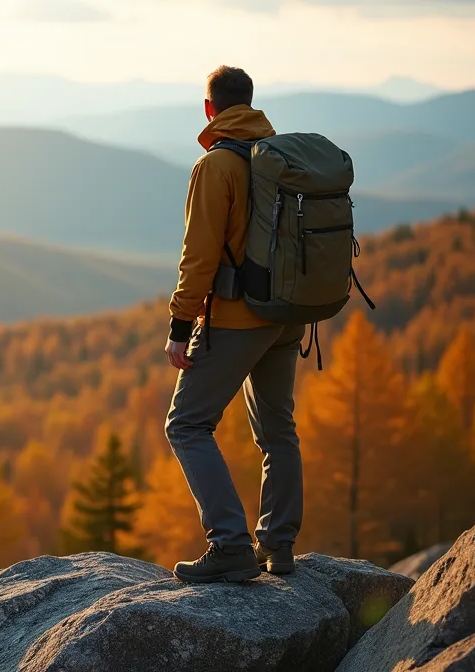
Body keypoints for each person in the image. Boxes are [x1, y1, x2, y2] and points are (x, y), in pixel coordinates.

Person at [163, 65, 305, 583]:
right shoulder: (281, 156)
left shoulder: (217, 165)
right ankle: (279, 546)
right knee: (277, 429)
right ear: (250, 103)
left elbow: (198, 257)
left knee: (186, 424)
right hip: (288, 317)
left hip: (240, 316)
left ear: (210, 109)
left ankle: (229, 545)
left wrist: (180, 327)